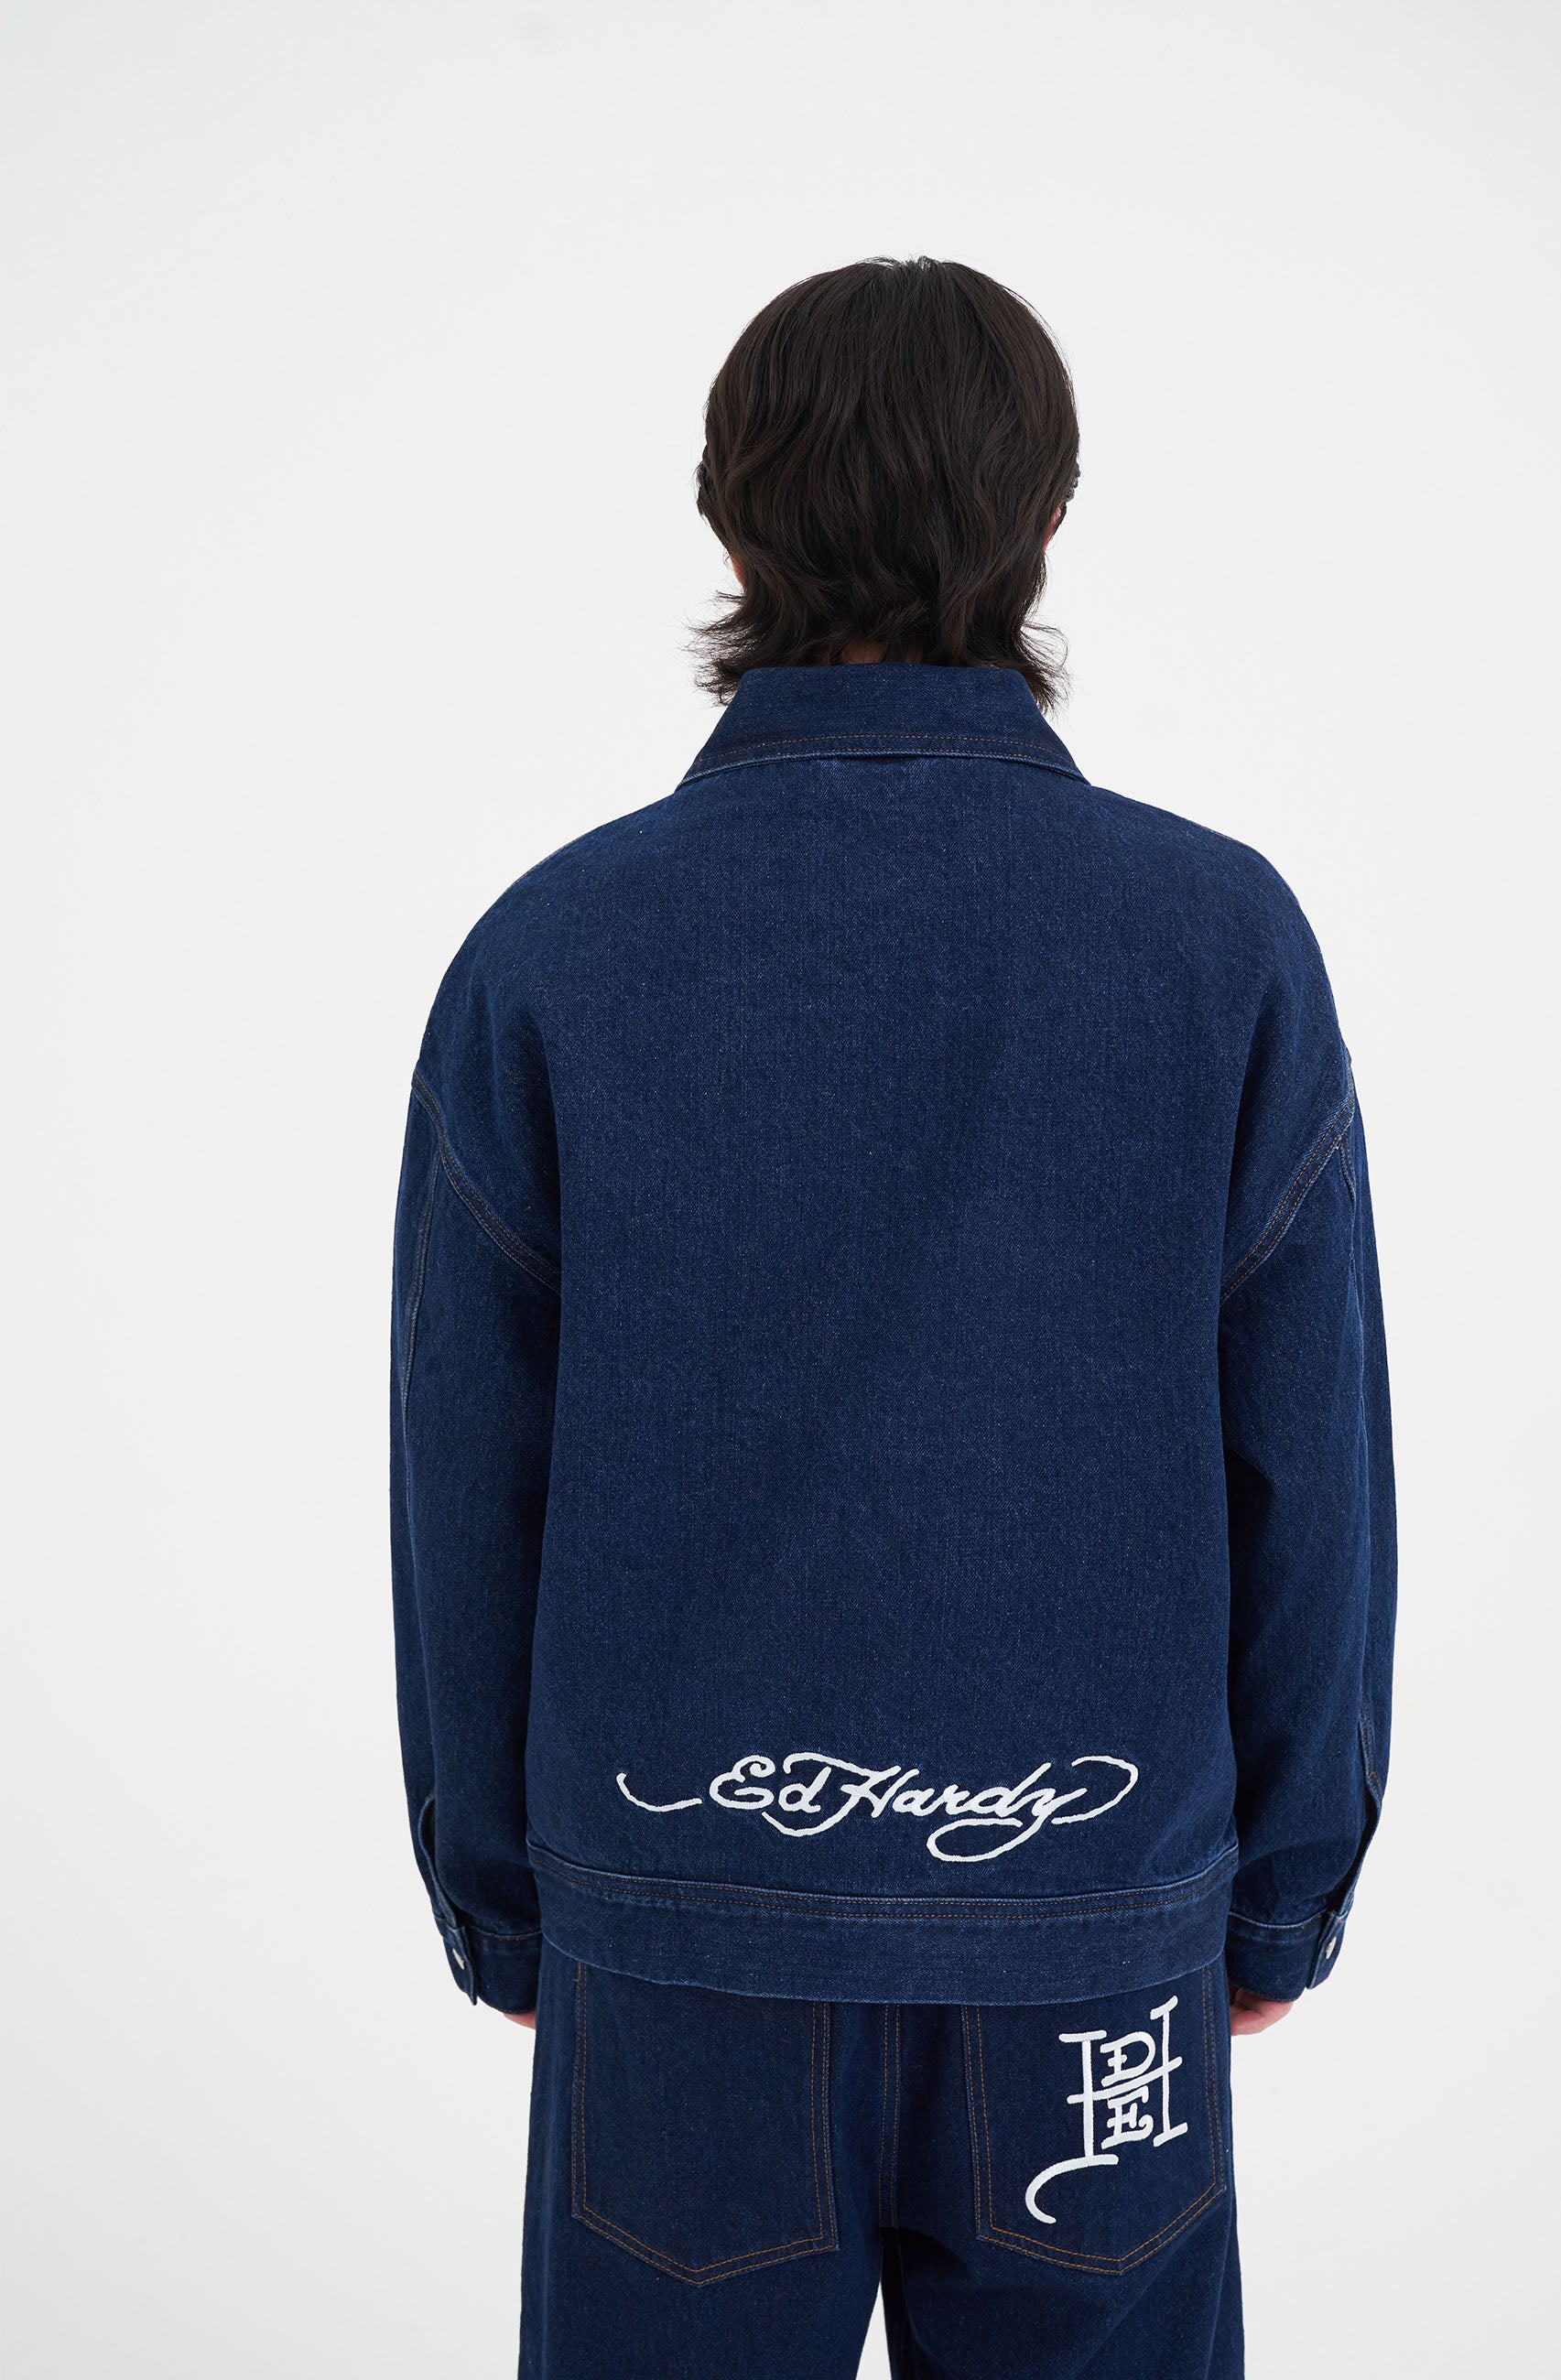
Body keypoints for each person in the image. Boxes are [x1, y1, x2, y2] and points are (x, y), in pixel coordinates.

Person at [389, 255, 1396, 2380]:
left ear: (724, 516)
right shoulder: (1219, 942)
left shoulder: (554, 952)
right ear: (1049, 516)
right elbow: (1312, 1462)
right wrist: (1280, 1892)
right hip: (1091, 1925)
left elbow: (466, 1478)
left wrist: (509, 1899)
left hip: (684, 1933)